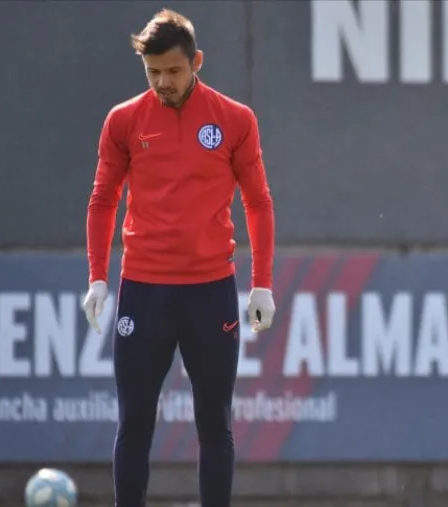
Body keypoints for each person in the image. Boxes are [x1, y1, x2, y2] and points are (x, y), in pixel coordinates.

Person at [80, 9, 276, 507]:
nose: (163, 82)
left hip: (210, 292)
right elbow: (103, 200)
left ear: (197, 62)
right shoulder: (123, 121)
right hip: (143, 292)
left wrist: (263, 284)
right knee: (135, 422)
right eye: (153, 73)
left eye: (173, 70)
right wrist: (98, 278)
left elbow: (258, 202)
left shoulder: (235, 119)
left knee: (215, 422)